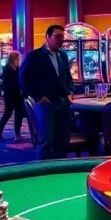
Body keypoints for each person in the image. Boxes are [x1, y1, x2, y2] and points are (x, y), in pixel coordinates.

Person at [19, 25, 74, 160]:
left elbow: (68, 77)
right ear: (48, 37)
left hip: (63, 102)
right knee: (46, 141)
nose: (61, 40)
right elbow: (22, 78)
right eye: (57, 36)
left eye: (62, 37)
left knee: (62, 141)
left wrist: (70, 93)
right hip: (46, 103)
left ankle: (60, 173)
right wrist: (37, 96)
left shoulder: (63, 55)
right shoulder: (35, 55)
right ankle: (41, 173)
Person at [0, 51, 26, 141]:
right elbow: (9, 84)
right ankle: (0, 131)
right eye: (17, 59)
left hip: (18, 95)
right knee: (8, 113)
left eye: (19, 59)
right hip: (10, 95)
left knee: (19, 114)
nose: (19, 61)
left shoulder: (19, 69)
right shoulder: (7, 69)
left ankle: (17, 134)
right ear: (12, 60)